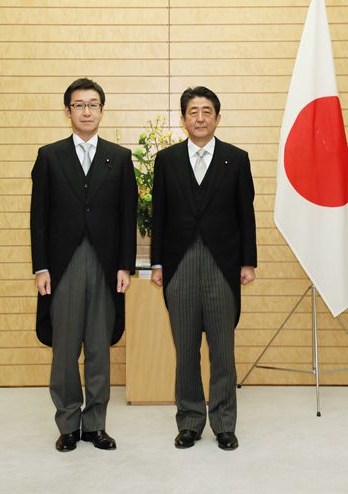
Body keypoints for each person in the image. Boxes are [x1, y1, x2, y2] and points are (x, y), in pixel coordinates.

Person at [30, 78, 137, 452]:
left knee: (98, 348)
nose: (86, 111)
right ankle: (67, 424)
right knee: (64, 350)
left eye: (93, 105)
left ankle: (95, 425)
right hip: (63, 267)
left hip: (106, 267)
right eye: (79, 105)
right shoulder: (49, 156)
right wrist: (41, 267)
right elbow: (38, 217)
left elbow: (128, 216)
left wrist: (126, 265)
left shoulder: (120, 158)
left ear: (102, 111)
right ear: (68, 111)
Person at [151, 86, 257, 450]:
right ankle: (190, 421)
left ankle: (224, 423)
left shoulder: (236, 159)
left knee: (223, 348)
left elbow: (246, 215)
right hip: (179, 264)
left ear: (217, 117)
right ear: (183, 119)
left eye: (206, 111)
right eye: (193, 112)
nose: (200, 118)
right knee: (185, 348)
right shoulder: (166, 161)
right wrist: (158, 263)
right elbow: (160, 217)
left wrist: (248, 261)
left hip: (222, 264)